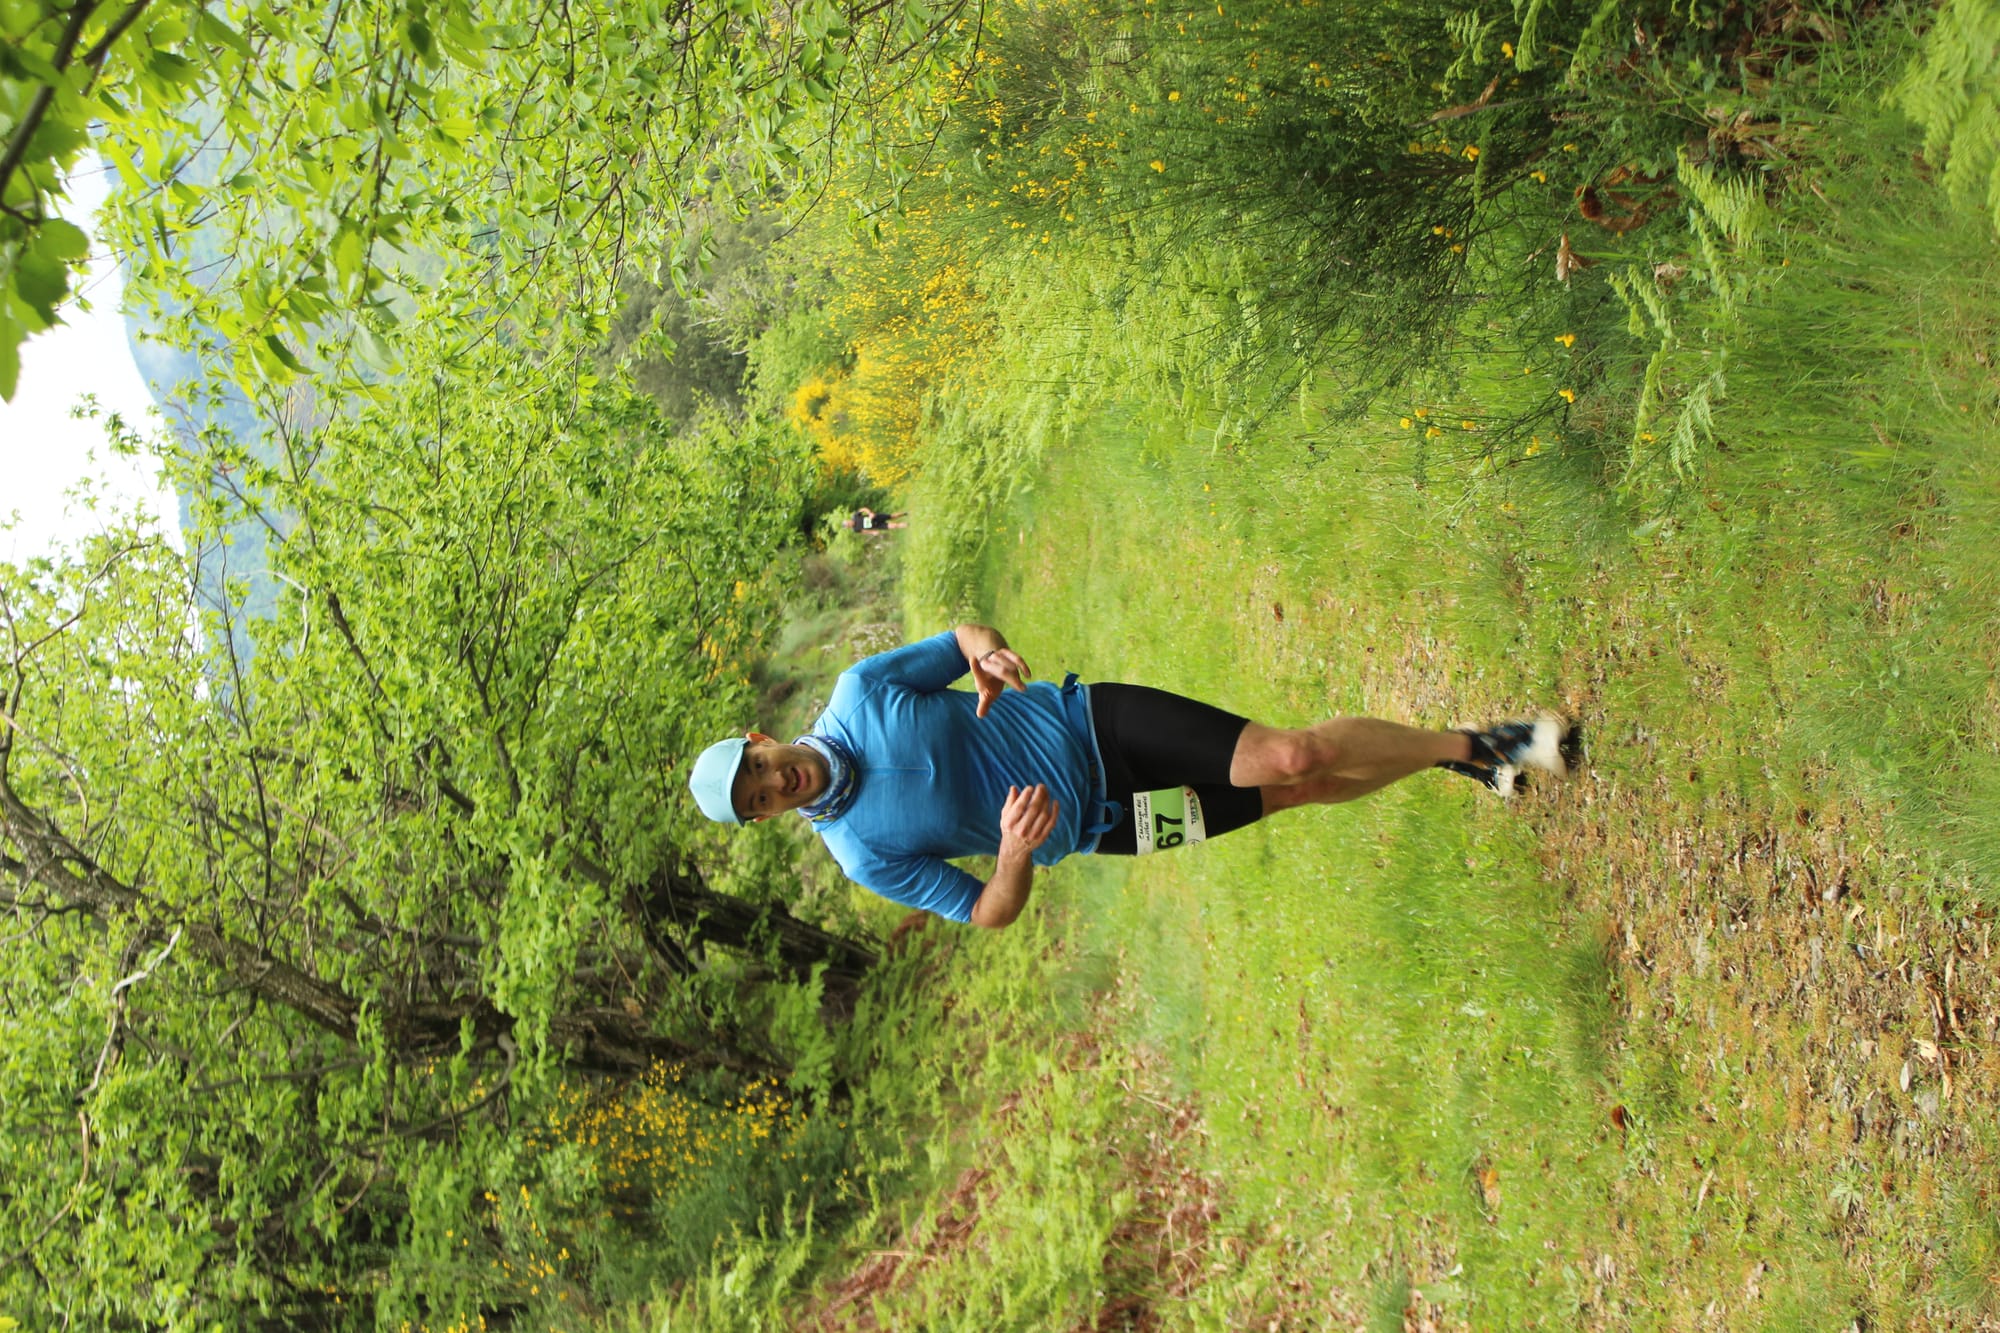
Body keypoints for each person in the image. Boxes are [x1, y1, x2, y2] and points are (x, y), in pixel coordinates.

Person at [688, 624, 1576, 928]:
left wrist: (990, 653)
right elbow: (988, 910)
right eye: (759, 801)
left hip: (1094, 720)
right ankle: (1465, 753)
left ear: (762, 738)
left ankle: (1481, 745)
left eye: (758, 768)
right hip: (1109, 822)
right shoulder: (861, 853)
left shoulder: (858, 692)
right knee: (1294, 790)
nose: (775, 785)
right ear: (767, 818)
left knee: (1293, 754)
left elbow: (959, 643)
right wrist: (1010, 854)